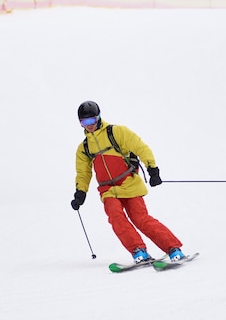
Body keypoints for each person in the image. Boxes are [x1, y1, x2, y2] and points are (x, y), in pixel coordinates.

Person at [71, 100, 185, 263]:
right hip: (108, 189)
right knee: (116, 218)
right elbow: (83, 173)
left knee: (141, 219)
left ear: (99, 117)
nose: (89, 125)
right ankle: (138, 251)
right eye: (84, 122)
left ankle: (173, 248)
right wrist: (80, 193)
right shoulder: (84, 148)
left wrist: (152, 169)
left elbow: (140, 147)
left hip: (129, 183)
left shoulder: (116, 132)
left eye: (92, 120)